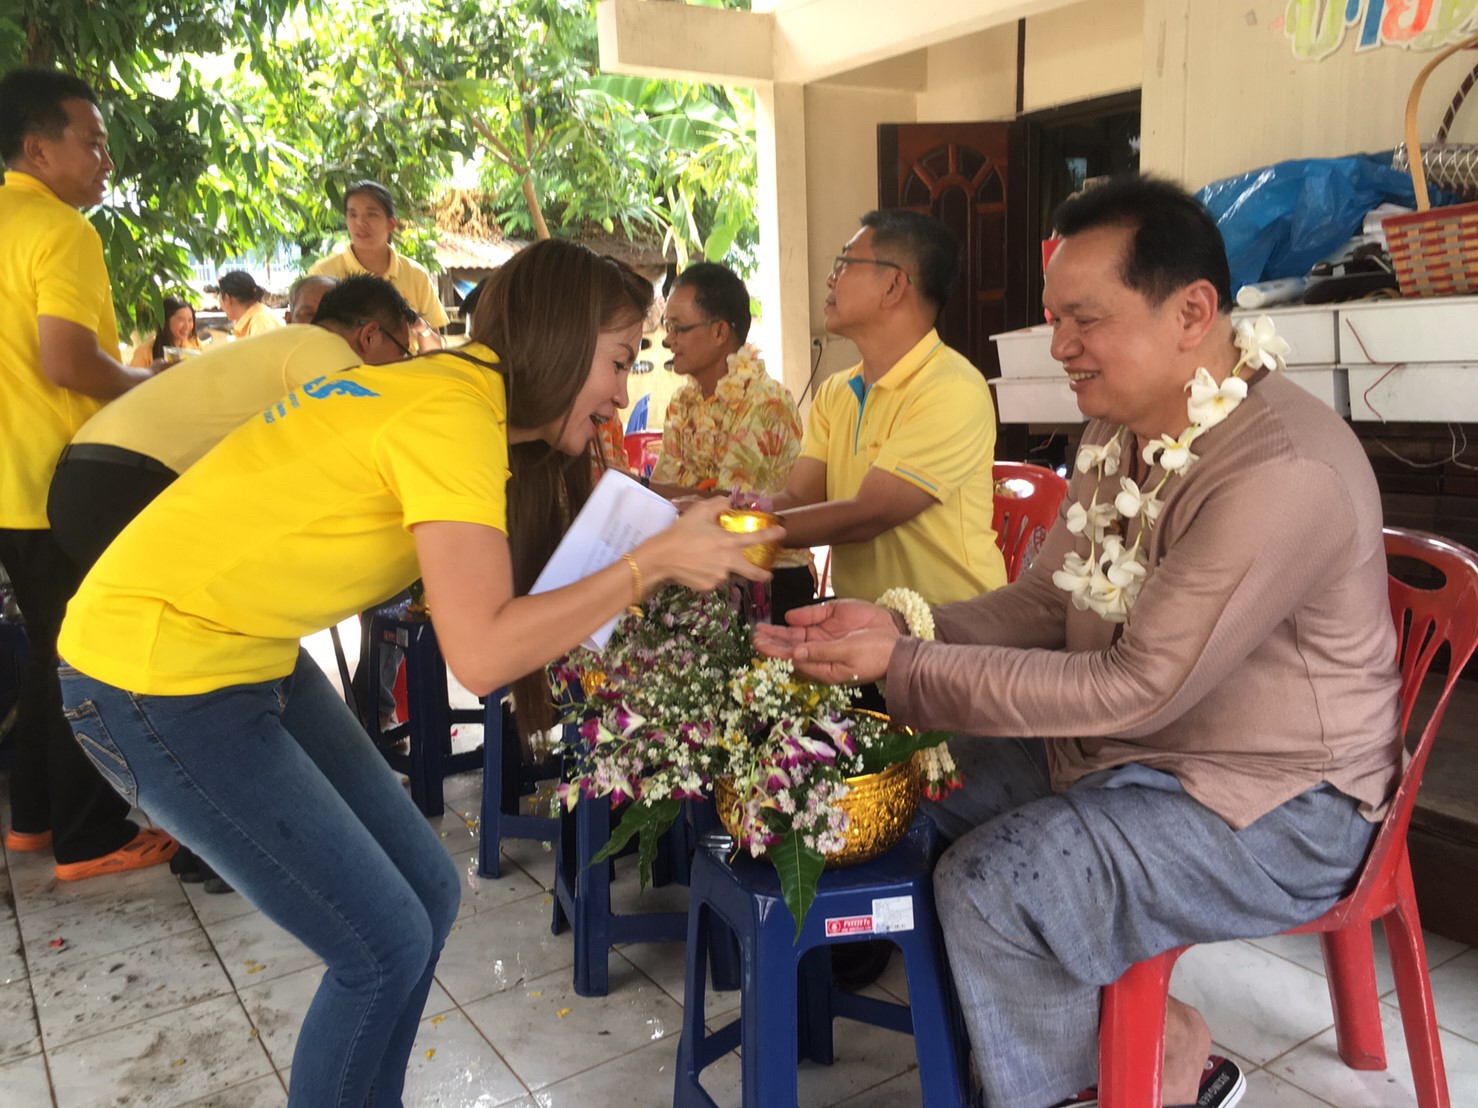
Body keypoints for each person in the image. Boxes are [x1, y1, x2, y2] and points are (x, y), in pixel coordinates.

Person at [56, 239, 778, 1107]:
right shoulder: (451, 416)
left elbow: (524, 578)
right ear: (553, 340)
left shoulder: (463, 399)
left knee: (427, 895)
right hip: (153, 675)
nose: (624, 392)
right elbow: (482, 652)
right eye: (620, 361)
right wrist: (652, 563)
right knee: (379, 945)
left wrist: (672, 523)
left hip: (245, 656)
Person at [756, 176, 1403, 1108]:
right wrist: (906, 626)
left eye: (1084, 320)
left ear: (1192, 312)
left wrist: (905, 667)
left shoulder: (1278, 469)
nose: (1059, 346)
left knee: (995, 884)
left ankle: (1076, 1087)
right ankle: (1147, 1049)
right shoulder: (1117, 426)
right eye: (1054, 318)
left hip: (1276, 804)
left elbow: (1135, 688)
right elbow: (1043, 603)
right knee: (918, 787)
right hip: (1133, 752)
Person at [0, 66, 176, 880]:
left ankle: (33, 821)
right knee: (83, 657)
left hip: (7, 486)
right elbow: (68, 360)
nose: (106, 159)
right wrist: (153, 384)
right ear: (38, 148)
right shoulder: (62, 230)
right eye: (93, 143)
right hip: (48, 485)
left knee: (44, 653)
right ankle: (91, 835)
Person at [771, 209, 1006, 609]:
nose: (830, 279)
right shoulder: (835, 392)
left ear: (895, 286)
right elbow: (798, 498)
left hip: (950, 633)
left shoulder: (952, 388)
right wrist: (720, 511)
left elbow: (868, 516)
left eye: (844, 263)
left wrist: (742, 532)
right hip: (862, 626)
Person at [652, 262, 810, 616]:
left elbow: (729, 507)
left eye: (678, 328)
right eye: (667, 327)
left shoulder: (767, 402)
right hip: (698, 576)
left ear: (720, 331)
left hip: (767, 583)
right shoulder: (682, 402)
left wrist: (636, 487)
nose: (667, 340)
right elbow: (666, 487)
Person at [308, 179, 448, 350]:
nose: (360, 223)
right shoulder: (322, 274)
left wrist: (421, 328)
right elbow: (308, 340)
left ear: (391, 224)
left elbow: (434, 350)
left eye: (371, 214)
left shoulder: (416, 275)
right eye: (352, 214)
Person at [129, 295, 202, 368]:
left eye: (190, 320)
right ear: (165, 321)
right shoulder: (145, 352)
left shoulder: (195, 343)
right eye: (181, 320)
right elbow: (135, 378)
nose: (187, 326)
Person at [210, 269, 285, 339]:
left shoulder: (260, 323)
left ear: (227, 299)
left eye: (219, 297)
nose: (220, 306)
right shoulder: (258, 319)